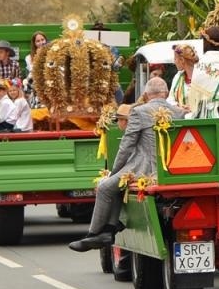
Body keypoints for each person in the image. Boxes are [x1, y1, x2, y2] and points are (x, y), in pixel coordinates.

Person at [69, 77, 186, 251]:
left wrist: (114, 171)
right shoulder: (179, 112)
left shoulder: (139, 112)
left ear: (146, 95)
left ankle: (94, 235)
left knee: (105, 187)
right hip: (171, 168)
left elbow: (126, 145)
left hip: (144, 168)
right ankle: (109, 230)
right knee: (116, 187)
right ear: (167, 93)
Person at [168, 43, 198, 110]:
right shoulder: (178, 77)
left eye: (175, 59)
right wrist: (179, 106)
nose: (174, 62)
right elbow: (170, 99)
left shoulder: (200, 75)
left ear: (182, 60)